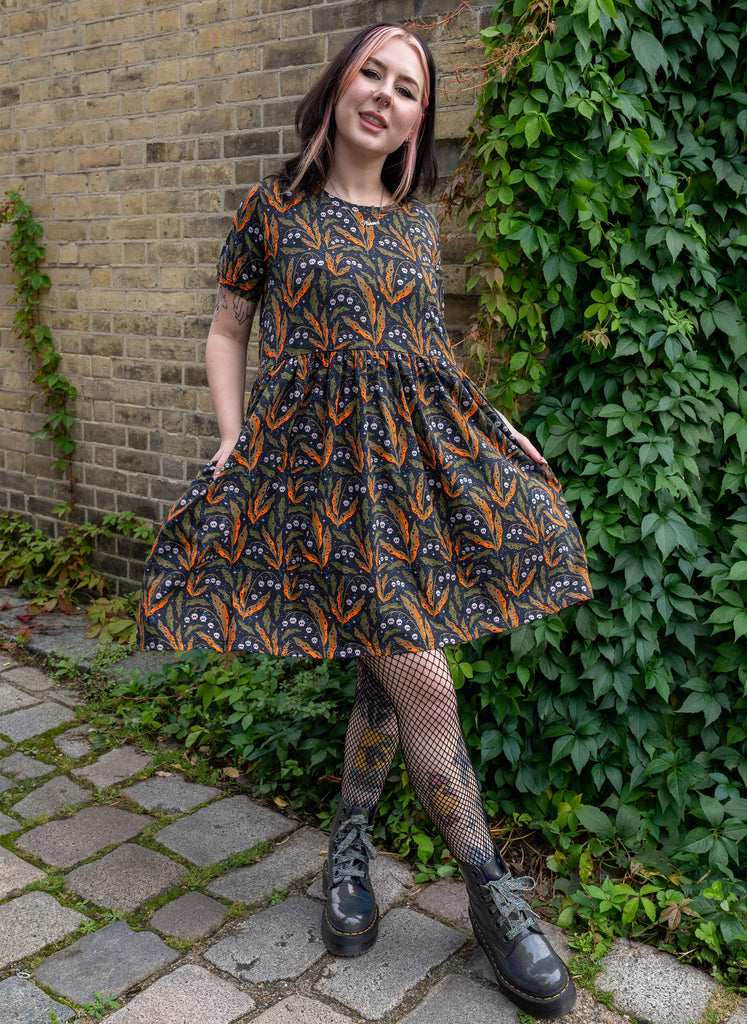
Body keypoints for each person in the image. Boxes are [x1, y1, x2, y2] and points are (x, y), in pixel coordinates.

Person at [139, 22, 592, 1019]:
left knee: (384, 683)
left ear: (418, 123)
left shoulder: (411, 226)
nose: (386, 93)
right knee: (424, 681)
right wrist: (229, 437)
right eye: (373, 71)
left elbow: (430, 362)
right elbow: (228, 329)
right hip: (316, 484)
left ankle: (348, 846)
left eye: (409, 87)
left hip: (404, 483)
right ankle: (491, 894)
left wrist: (500, 429)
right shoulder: (276, 208)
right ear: (341, 83)